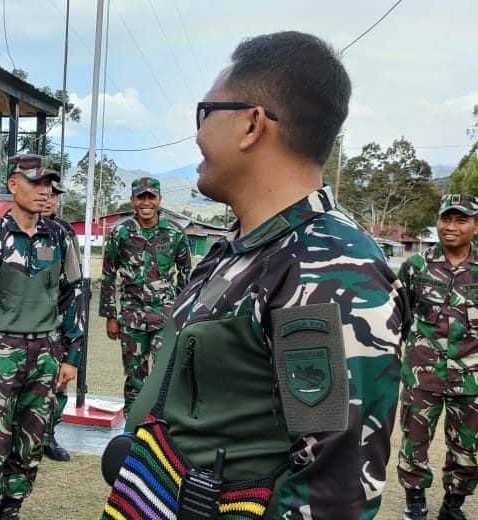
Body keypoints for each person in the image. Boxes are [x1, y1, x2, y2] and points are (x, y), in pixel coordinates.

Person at [123, 32, 406, 518]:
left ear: (252, 124)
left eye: (206, 113)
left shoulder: (327, 270)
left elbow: (330, 491)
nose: (197, 134)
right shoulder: (246, 249)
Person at [0, 154, 86, 519]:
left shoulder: (60, 236)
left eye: (48, 183)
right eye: (35, 182)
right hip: (0, 351)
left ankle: (11, 510)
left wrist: (71, 354)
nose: (43, 190)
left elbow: (73, 292)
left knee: (31, 441)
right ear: (13, 185)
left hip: (46, 353)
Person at [396, 194, 478, 520]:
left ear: (477, 226)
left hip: (471, 376)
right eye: (446, 219)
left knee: (467, 445)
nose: (451, 227)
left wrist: (471, 353)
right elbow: (401, 317)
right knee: (414, 441)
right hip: (423, 372)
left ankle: (453, 506)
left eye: (461, 220)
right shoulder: (416, 266)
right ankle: (414, 502)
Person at [98, 176, 192, 411]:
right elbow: (108, 275)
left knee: (165, 374)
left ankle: (163, 426)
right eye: (141, 197)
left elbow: (187, 274)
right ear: (132, 201)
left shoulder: (175, 232)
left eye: (151, 197)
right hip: (131, 317)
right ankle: (132, 427)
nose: (146, 202)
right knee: (134, 378)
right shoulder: (120, 233)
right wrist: (111, 316)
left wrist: (180, 312)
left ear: (159, 200)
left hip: (164, 317)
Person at [39, 180, 86, 463]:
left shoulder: (66, 233)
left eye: (54, 194)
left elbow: (75, 284)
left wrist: (73, 331)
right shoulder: (7, 230)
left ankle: (49, 435)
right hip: (21, 326)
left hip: (57, 322)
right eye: (44, 192)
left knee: (57, 383)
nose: (48, 198)